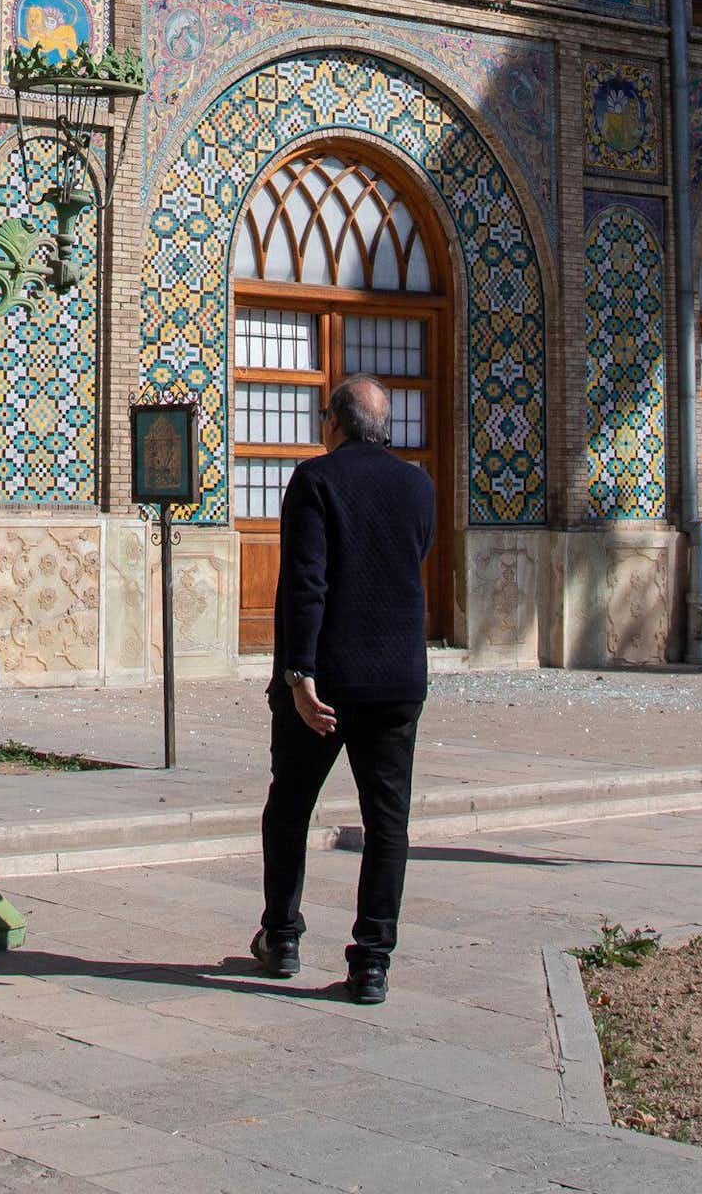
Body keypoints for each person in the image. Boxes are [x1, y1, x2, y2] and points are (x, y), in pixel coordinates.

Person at [250, 374, 435, 1005]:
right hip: (396, 682)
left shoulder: (316, 479)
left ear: (335, 422)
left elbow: (307, 583)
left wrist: (298, 674)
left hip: (325, 685)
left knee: (290, 807)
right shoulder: (419, 485)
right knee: (388, 825)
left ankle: (282, 937)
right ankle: (373, 962)